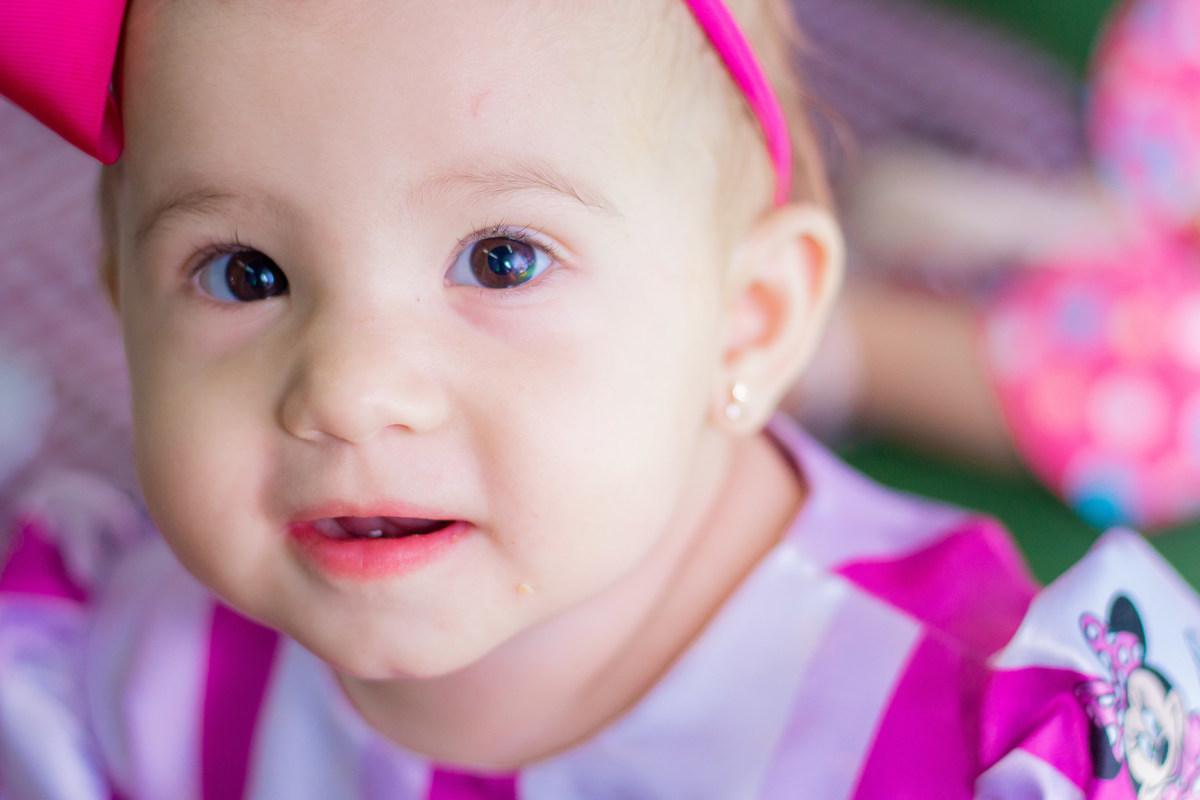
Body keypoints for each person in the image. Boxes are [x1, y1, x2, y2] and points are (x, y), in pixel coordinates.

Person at [0, 1, 1197, 798]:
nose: (350, 392)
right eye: (244, 273)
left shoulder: (944, 723)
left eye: (501, 259)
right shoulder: (132, 676)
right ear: (122, 301)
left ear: (754, 320)